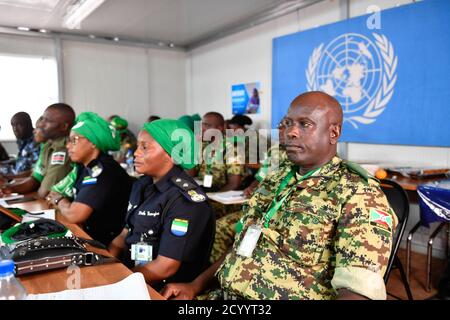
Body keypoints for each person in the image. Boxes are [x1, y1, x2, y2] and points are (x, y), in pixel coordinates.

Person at [161, 91, 397, 300]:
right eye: (288, 123)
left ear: (333, 132)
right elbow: (243, 244)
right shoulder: (278, 176)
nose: (292, 132)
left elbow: (357, 293)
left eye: (305, 124)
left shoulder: (358, 194)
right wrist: (195, 286)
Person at [108, 119, 215, 291]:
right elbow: (124, 234)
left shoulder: (185, 201)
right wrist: (106, 267)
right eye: (137, 146)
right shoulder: (141, 185)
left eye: (145, 147)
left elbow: (165, 267)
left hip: (159, 288)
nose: (135, 153)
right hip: (131, 276)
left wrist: (116, 283)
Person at [46, 112, 133, 246]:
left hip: (107, 245)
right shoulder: (84, 167)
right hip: (89, 235)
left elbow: (75, 214)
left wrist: (59, 200)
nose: (68, 145)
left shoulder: (102, 170)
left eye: (74, 140)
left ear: (93, 143)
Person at [0, 103, 75, 199]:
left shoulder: (62, 150)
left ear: (64, 127)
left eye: (47, 121)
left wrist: (10, 188)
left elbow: (44, 193)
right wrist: (6, 188)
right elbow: (35, 178)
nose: (40, 124)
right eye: (43, 119)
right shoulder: (48, 145)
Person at [192, 112, 246, 192]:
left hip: (220, 198)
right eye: (202, 125)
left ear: (219, 128)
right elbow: (191, 172)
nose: (202, 129)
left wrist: (210, 197)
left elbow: (234, 184)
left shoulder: (232, 149)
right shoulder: (204, 145)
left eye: (207, 125)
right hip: (204, 190)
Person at [0, 112, 40, 179]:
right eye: (13, 125)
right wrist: (4, 163)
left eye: (19, 125)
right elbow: (21, 159)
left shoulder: (38, 140)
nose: (15, 129)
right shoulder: (21, 140)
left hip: (22, 178)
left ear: (28, 124)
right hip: (15, 172)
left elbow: (35, 171)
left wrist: (11, 177)